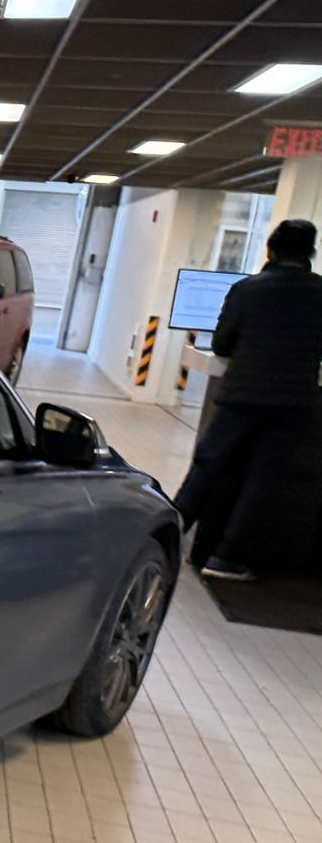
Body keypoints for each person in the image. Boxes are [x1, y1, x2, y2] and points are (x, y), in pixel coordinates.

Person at [174, 217, 322, 580]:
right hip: (293, 403)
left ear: (270, 250)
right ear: (311, 253)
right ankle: (225, 558)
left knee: (208, 466)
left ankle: (170, 532)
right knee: (263, 479)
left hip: (241, 395)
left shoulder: (246, 289)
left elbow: (222, 344)